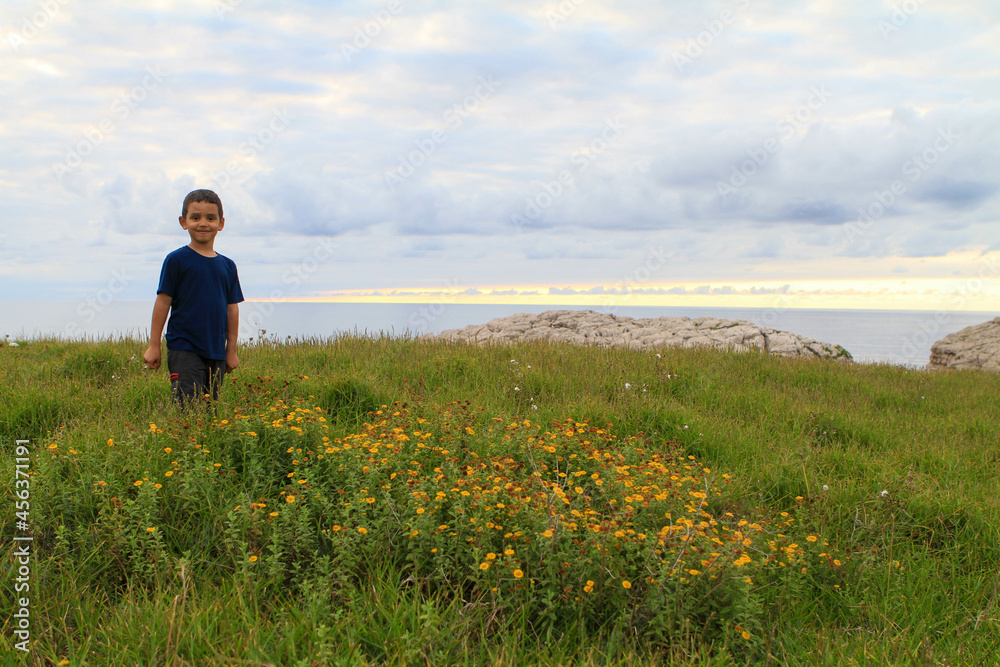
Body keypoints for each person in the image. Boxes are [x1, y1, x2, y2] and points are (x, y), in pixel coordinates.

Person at [143, 189, 244, 407]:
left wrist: (231, 351)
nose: (203, 224)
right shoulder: (176, 260)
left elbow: (231, 309)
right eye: (195, 218)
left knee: (210, 409)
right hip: (184, 348)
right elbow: (163, 302)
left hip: (216, 351)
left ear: (221, 223)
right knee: (187, 408)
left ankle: (206, 442)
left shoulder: (227, 266)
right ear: (183, 222)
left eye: (210, 218)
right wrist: (154, 346)